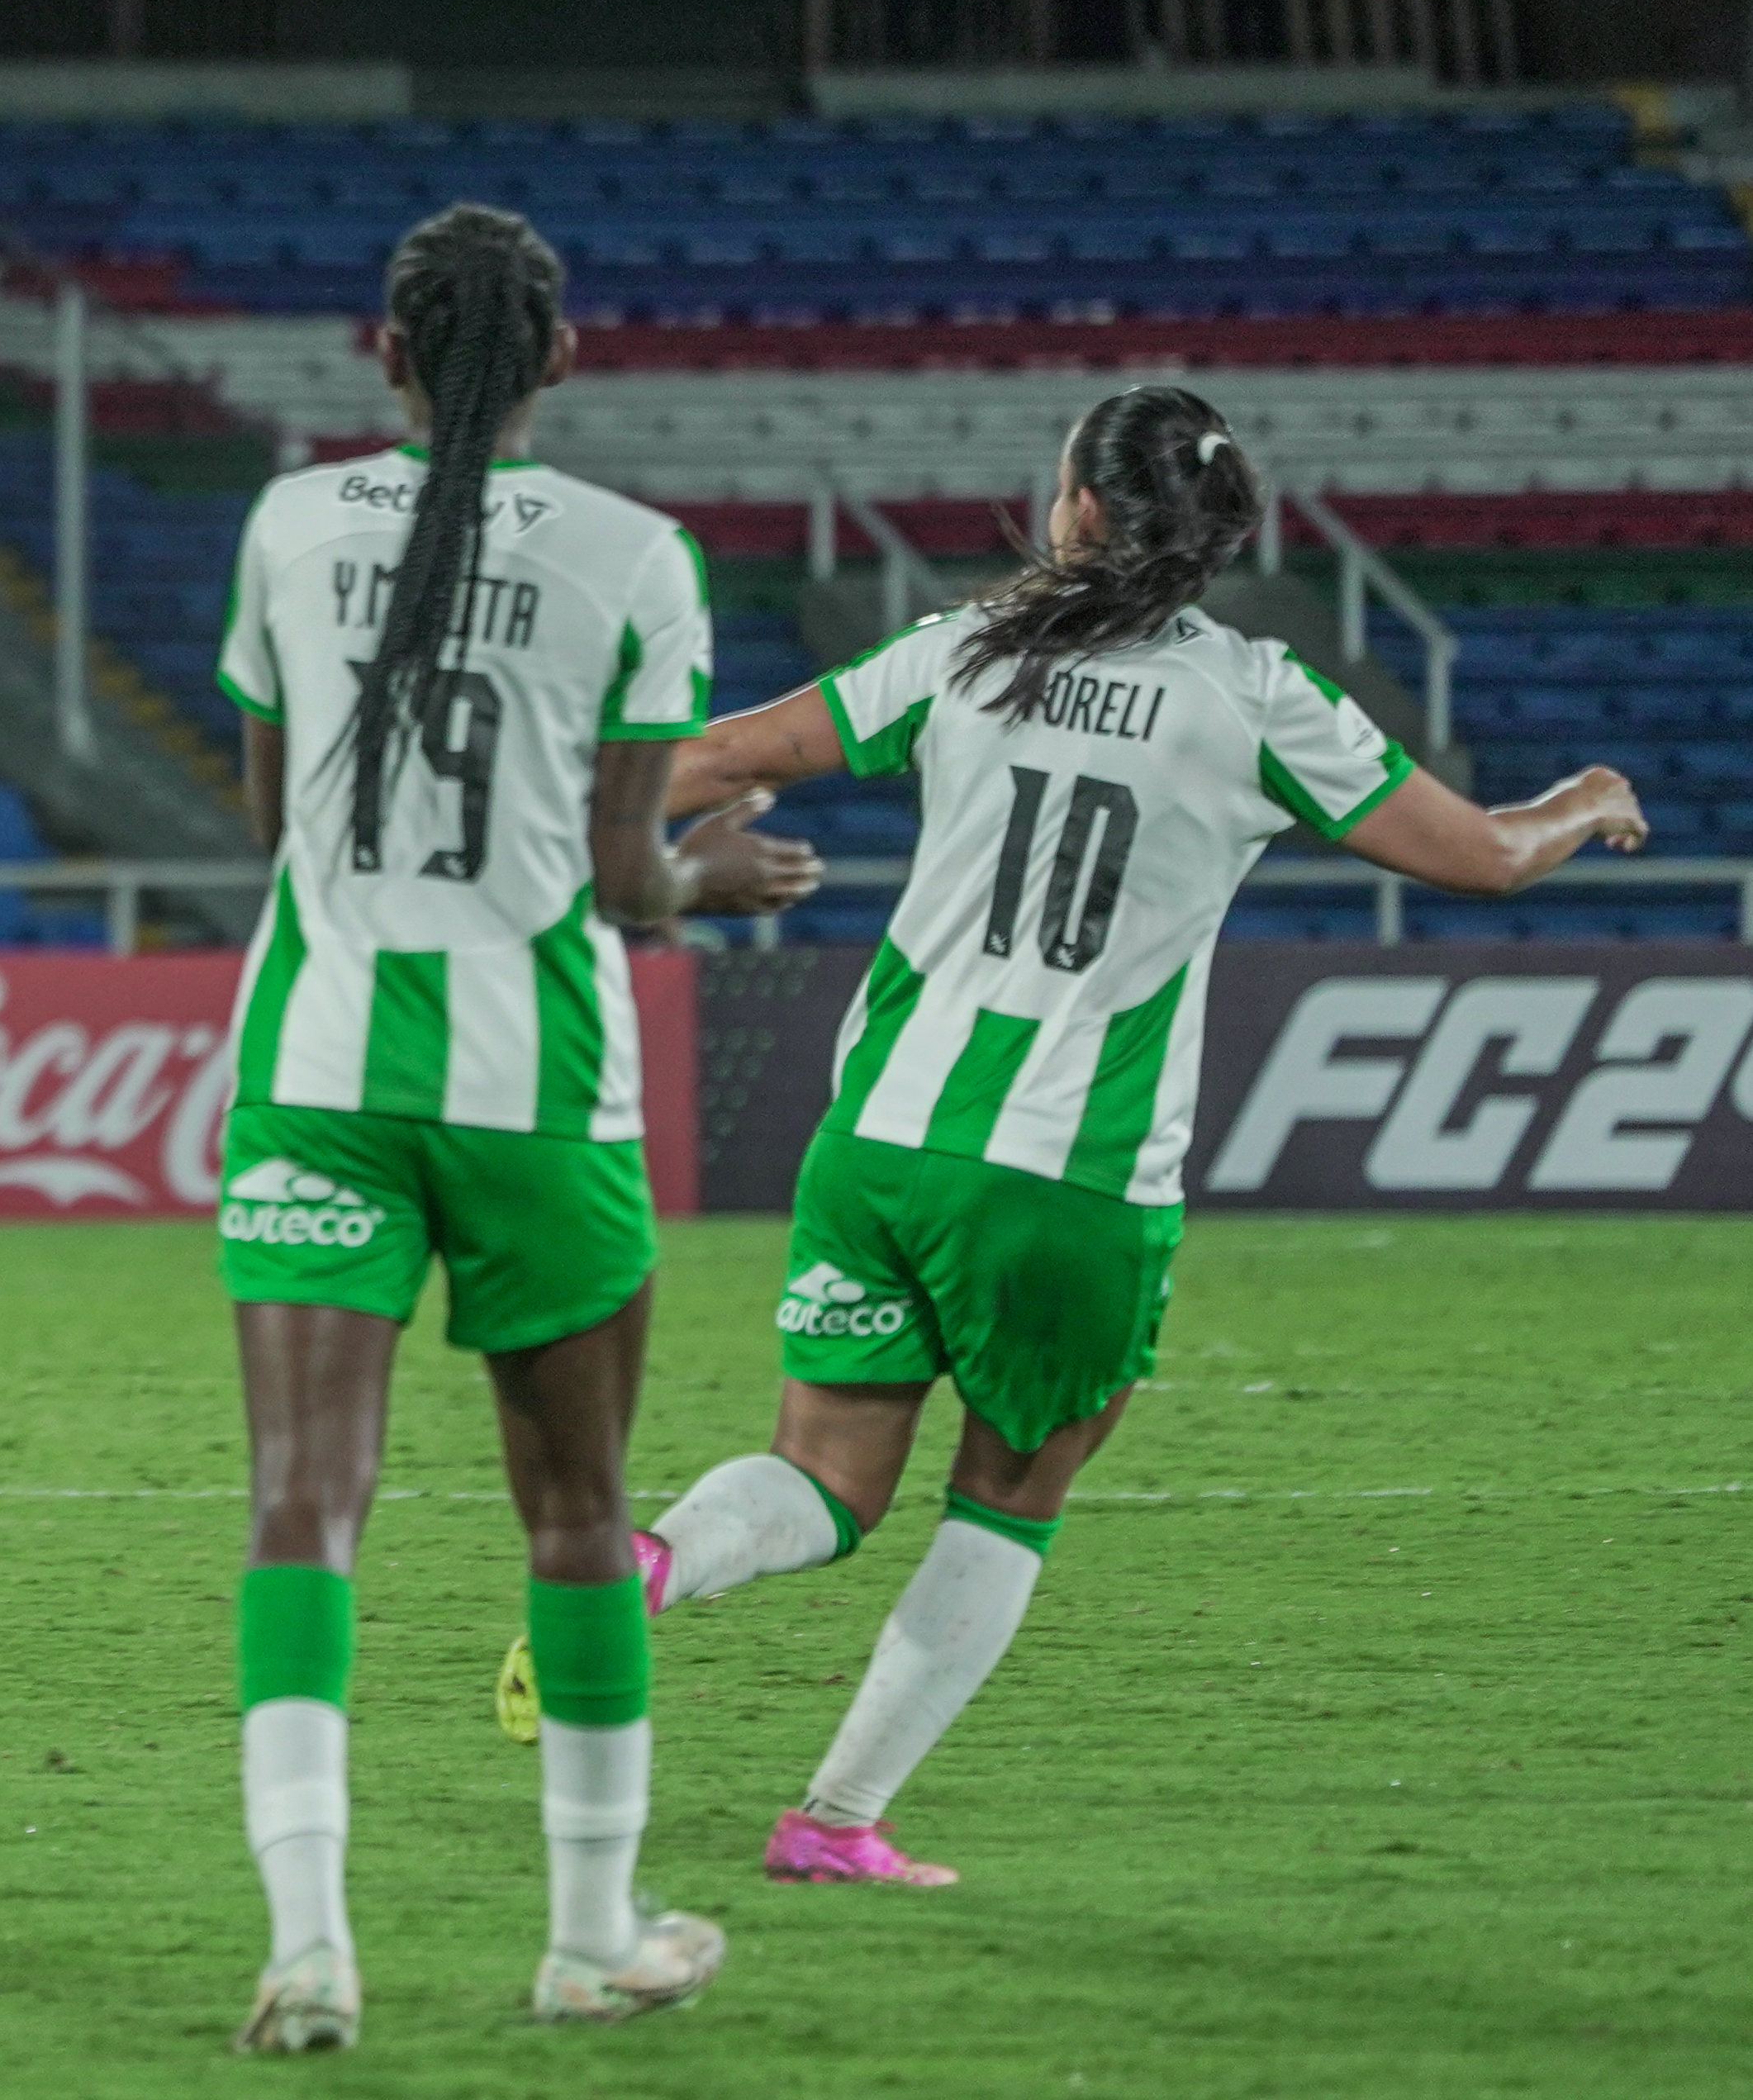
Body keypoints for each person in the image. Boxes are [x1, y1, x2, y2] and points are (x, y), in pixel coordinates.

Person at [610, 382, 1646, 1884]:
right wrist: (1579, 799)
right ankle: (832, 1823)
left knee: (826, 1477)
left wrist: (596, 816)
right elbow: (1483, 858)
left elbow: (711, 762)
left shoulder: (960, 651)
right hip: (1069, 1177)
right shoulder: (1258, 694)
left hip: (879, 1145)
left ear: (1083, 507)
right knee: (1011, 1495)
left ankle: (650, 1563)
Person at [211, 203, 820, 2052]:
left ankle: (309, 1942)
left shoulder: (290, 522)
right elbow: (628, 872)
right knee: (574, 1514)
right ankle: (588, 1934)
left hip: (314, 1075)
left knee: (305, 1504)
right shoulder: (639, 556)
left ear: (382, 354)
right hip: (540, 1093)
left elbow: (266, 817)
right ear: (562, 358)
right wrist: (702, 882)